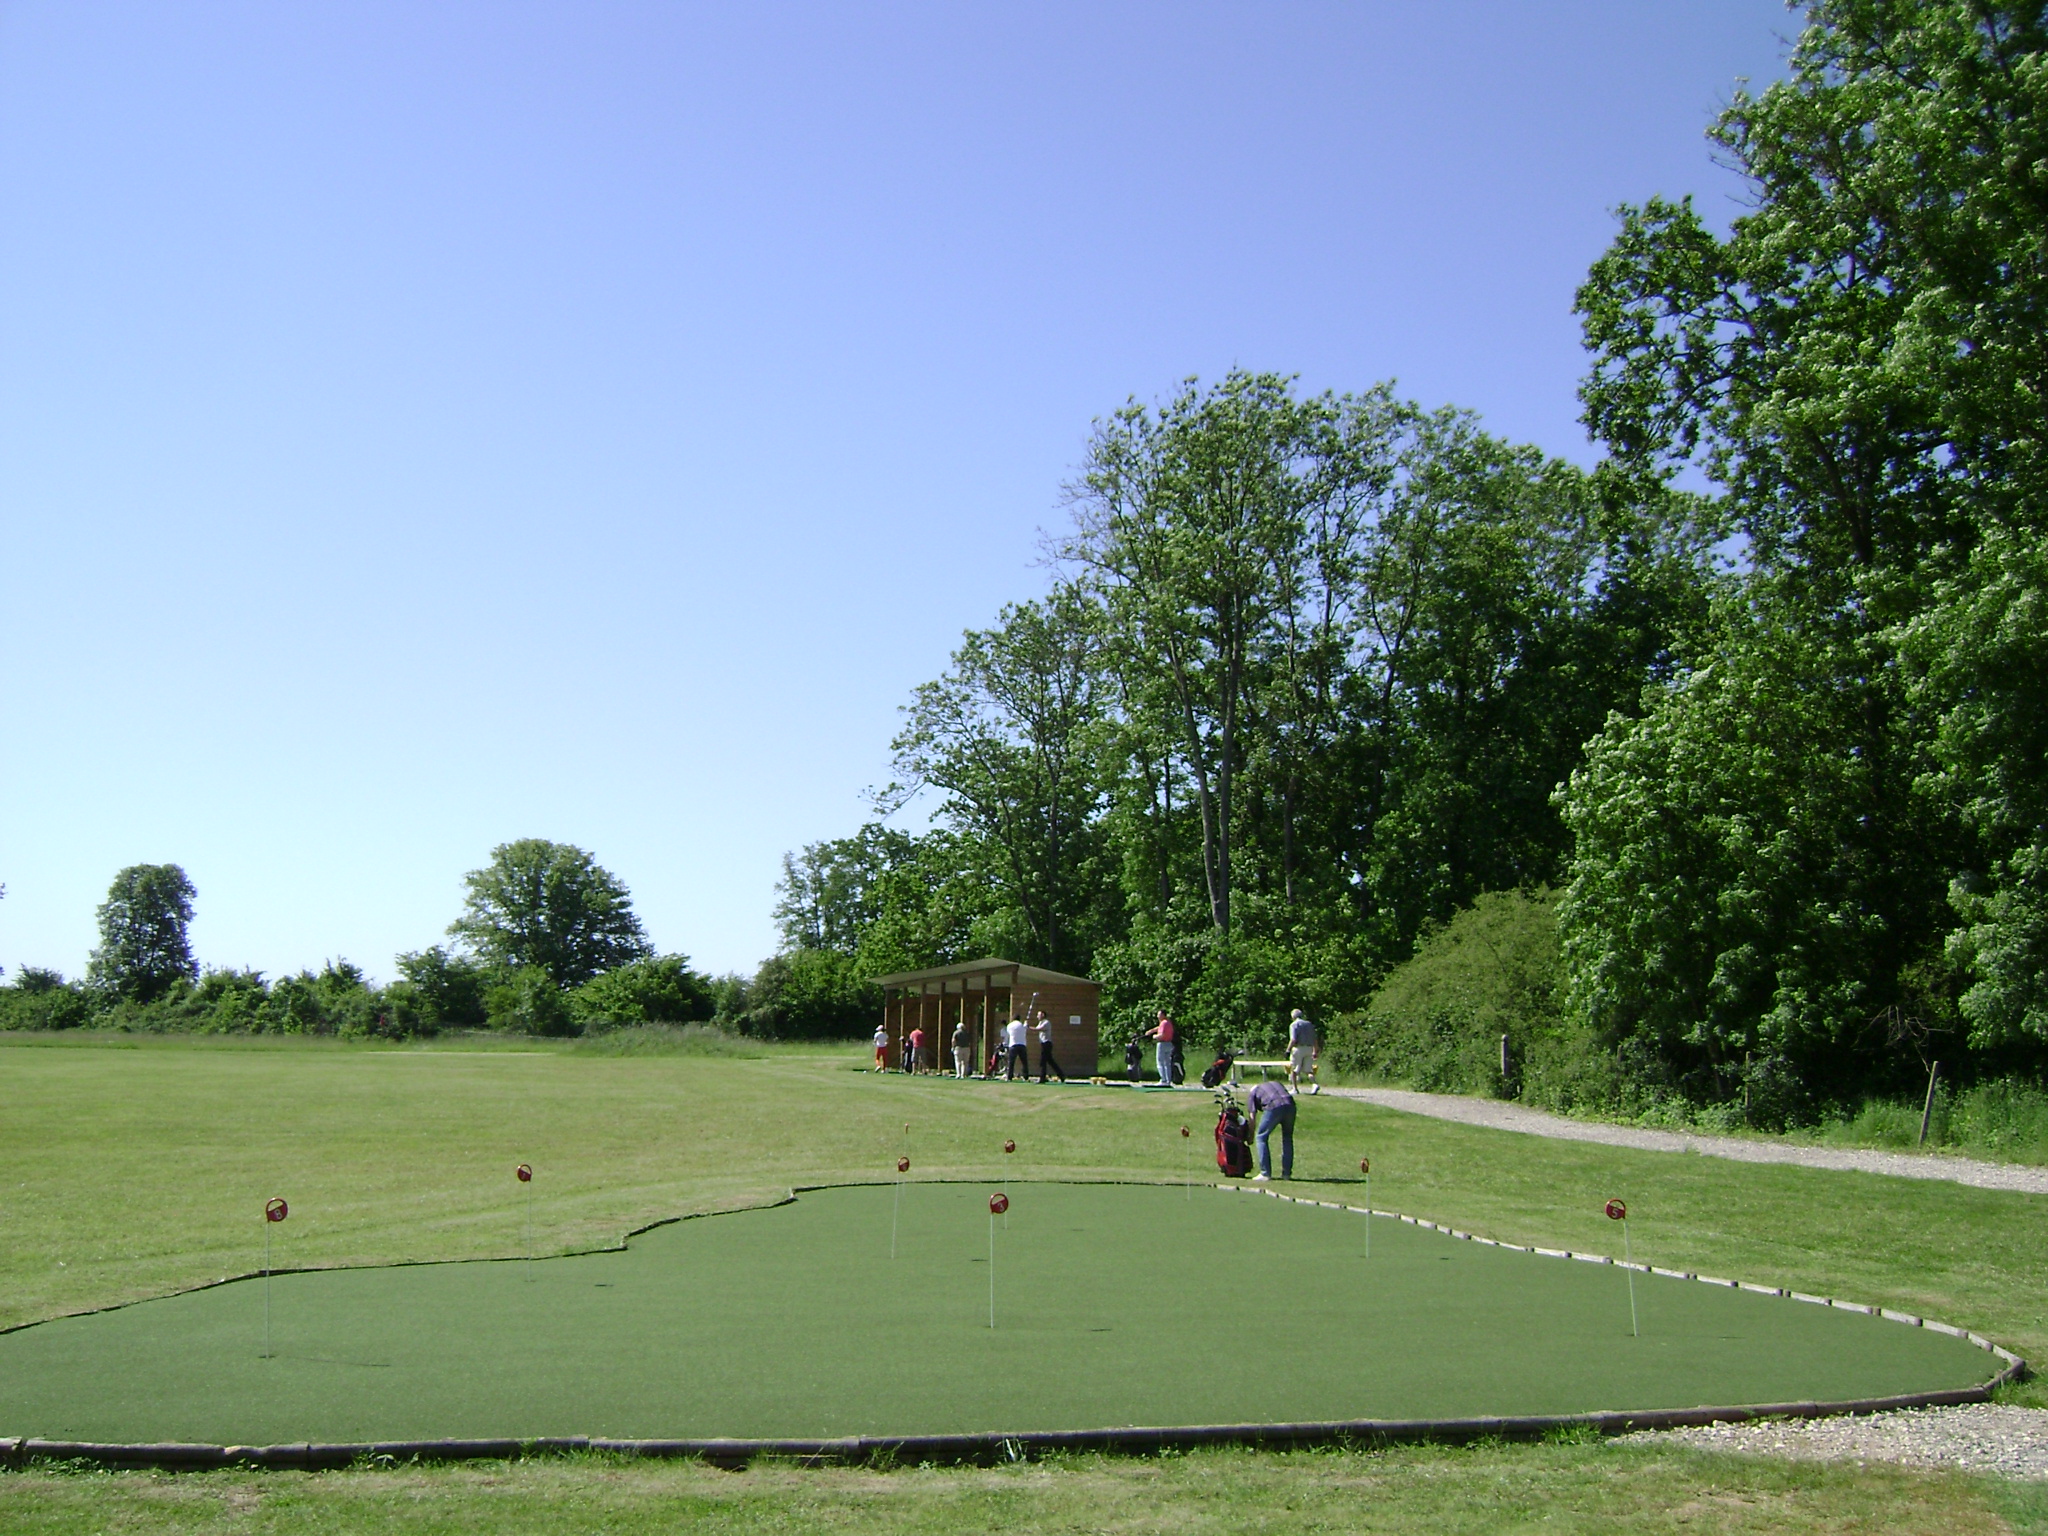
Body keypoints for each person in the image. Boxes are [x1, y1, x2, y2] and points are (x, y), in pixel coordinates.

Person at [1248, 1076, 1296, 1180]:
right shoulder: (1275, 1082)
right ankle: (1286, 1174)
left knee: (1261, 1137)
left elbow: (1252, 1117)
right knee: (1287, 1138)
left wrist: (1251, 1136)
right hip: (1290, 1105)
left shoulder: (1253, 1093)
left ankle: (1265, 1173)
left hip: (1273, 1106)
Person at [1287, 1008, 1320, 1094]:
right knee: (1308, 1069)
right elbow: (1314, 1038)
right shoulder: (1309, 1024)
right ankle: (1314, 1084)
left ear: (1293, 1017)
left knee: (1294, 1069)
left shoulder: (1294, 1025)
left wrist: (1288, 1049)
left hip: (1298, 1048)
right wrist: (1315, 1050)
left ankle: (1295, 1088)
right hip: (1309, 1048)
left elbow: (1293, 1039)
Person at [1146, 1011, 1177, 1088]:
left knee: (1160, 1062)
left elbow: (1162, 1035)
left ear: (1163, 1015)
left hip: (1162, 1043)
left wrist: (1154, 1036)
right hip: (1169, 1043)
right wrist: (1151, 1031)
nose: (1157, 1016)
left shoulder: (1163, 1023)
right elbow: (1159, 1028)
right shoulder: (1168, 1023)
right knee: (1167, 1063)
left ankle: (1163, 1080)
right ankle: (1168, 1080)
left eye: (1159, 1014)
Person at [1035, 1011, 1065, 1083]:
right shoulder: (1040, 1022)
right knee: (1050, 1061)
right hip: (1043, 1044)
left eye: (1038, 1015)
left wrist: (1028, 1027)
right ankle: (1061, 1075)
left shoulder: (1046, 1023)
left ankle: (1042, 1078)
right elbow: (1036, 1028)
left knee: (1043, 1061)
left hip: (1046, 1044)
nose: (1037, 1016)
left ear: (1043, 1015)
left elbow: (1038, 1029)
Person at [1004, 1013, 1030, 1079]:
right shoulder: (1022, 1025)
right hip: (1022, 1045)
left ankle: (1009, 1076)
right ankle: (1026, 1076)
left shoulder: (1009, 1026)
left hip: (1013, 1045)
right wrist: (1025, 1024)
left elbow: (1009, 1033)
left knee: (1011, 1062)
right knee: (1024, 1062)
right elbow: (1024, 1030)